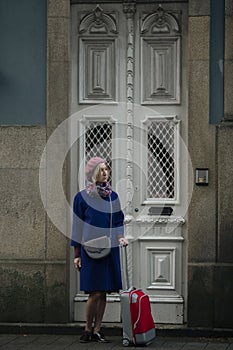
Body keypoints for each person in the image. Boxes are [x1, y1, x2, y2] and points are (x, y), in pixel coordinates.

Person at [71, 157, 128, 343]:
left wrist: (120, 236)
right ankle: (87, 329)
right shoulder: (82, 197)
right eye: (101, 170)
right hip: (90, 250)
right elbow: (77, 227)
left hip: (109, 248)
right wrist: (76, 254)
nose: (105, 172)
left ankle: (97, 330)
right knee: (94, 292)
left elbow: (119, 220)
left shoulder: (113, 197)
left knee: (104, 291)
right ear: (93, 173)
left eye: (106, 169)